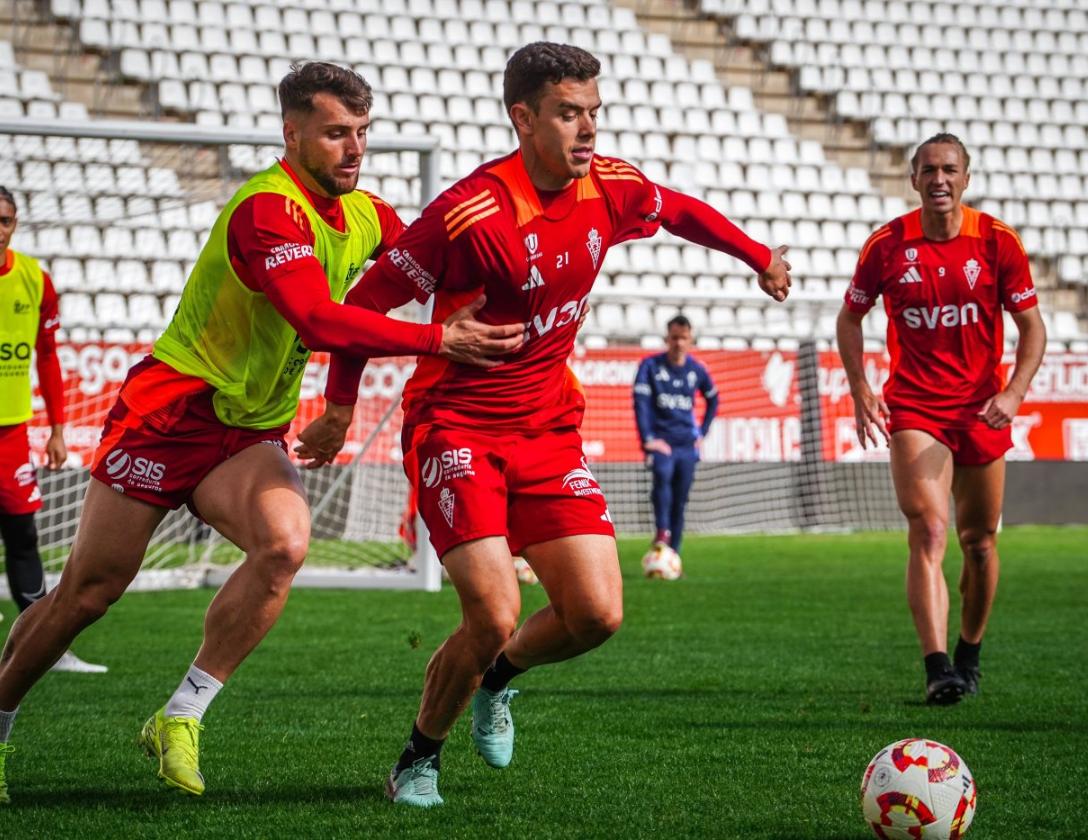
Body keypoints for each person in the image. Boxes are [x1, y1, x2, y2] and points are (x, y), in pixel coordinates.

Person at [0, 61, 524, 805]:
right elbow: (316, 317)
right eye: (336, 132)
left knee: (283, 545)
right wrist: (441, 340)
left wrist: (514, 253)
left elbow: (435, 260)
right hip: (169, 416)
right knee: (88, 594)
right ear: (293, 131)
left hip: (246, 430)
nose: (354, 148)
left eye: (362, 133)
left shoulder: (367, 214)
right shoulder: (266, 210)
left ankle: (179, 717)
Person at [309, 41, 791, 807]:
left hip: (547, 431)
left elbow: (681, 211)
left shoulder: (609, 185)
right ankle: (417, 759)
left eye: (594, 113)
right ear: (524, 118)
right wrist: (339, 408)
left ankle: (498, 682)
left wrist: (757, 254)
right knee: (495, 610)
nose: (588, 130)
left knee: (597, 614)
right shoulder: (469, 211)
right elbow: (359, 309)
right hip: (457, 426)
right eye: (570, 114)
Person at [835, 133, 1046, 705]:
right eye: (929, 170)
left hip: (981, 409)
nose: (939, 180)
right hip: (915, 407)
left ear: (966, 178)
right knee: (928, 530)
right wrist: (860, 388)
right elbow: (849, 319)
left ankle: (969, 653)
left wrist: (1014, 393)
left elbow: (1033, 329)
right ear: (913, 179)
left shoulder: (997, 241)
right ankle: (937, 668)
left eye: (950, 169)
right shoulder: (886, 244)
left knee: (978, 542)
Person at [0, 186, 106, 675]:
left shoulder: (34, 280)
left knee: (22, 532)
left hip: (11, 432)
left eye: (5, 219)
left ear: (15, 224)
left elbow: (46, 357)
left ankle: (44, 645)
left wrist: (59, 430)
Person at [633, 314, 718, 566]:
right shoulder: (650, 367)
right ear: (666, 339)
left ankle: (673, 555)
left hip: (686, 444)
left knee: (680, 498)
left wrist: (701, 433)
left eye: (683, 338)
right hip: (662, 441)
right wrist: (648, 439)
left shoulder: (697, 369)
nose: (678, 343)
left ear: (690, 340)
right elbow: (641, 405)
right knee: (662, 477)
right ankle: (662, 532)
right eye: (674, 338)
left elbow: (713, 399)